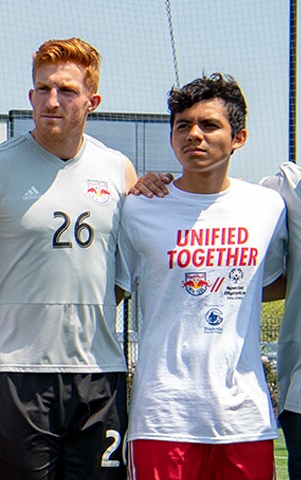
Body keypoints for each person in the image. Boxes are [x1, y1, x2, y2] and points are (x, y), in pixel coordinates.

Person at [0, 37, 137, 480]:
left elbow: (123, 274)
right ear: (30, 96)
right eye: (42, 89)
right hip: (19, 372)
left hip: (100, 372)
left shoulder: (118, 169)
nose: (52, 100)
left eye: (66, 90)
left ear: (92, 101)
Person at [117, 74, 283, 480]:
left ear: (239, 137)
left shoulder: (268, 207)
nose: (194, 135)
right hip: (162, 417)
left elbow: (274, 282)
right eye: (183, 126)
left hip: (244, 418)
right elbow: (111, 290)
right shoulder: (139, 207)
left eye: (209, 125)